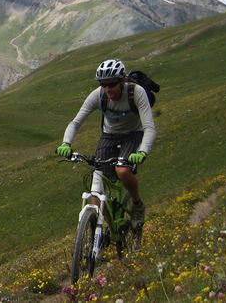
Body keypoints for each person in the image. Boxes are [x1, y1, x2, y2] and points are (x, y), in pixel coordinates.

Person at [55, 59, 157, 228]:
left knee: (122, 170)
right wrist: (66, 143)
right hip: (109, 135)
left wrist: (142, 152)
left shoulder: (136, 92)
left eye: (111, 84)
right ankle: (97, 225)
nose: (108, 89)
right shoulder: (99, 94)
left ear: (122, 80)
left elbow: (149, 128)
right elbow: (75, 122)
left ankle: (137, 204)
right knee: (98, 174)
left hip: (132, 134)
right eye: (103, 84)